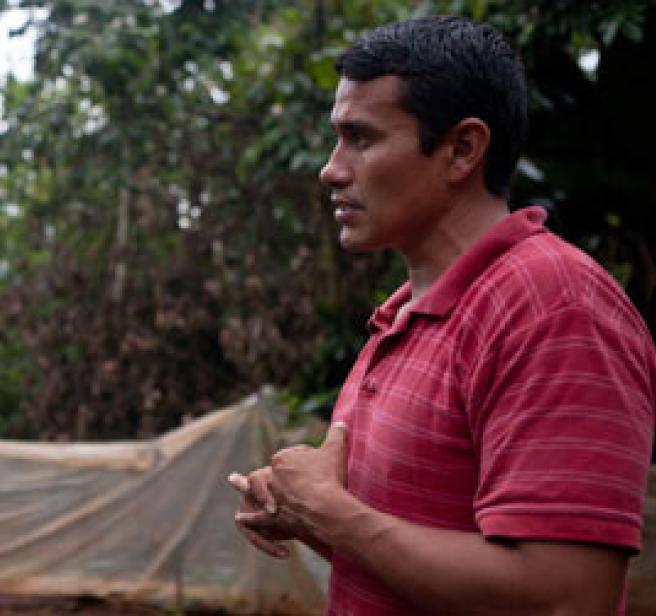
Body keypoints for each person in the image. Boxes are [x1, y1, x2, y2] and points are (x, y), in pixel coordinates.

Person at [228, 15, 656, 615]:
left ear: (461, 150)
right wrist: (304, 511)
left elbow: (566, 597)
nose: (332, 168)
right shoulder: (405, 315)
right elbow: (408, 538)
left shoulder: (556, 307)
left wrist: (334, 514)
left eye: (362, 138)